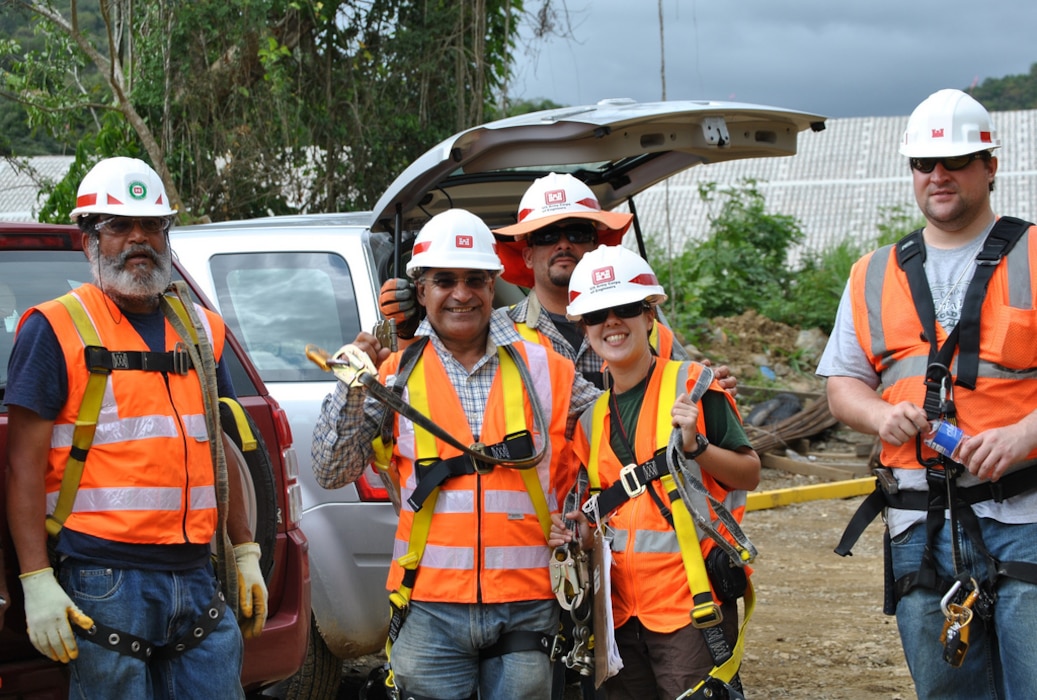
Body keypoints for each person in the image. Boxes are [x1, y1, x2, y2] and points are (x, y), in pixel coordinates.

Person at [312, 208, 600, 700]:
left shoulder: (546, 367)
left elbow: (621, 436)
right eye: (444, 280)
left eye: (474, 280)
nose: (461, 294)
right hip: (428, 606)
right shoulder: (392, 376)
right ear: (421, 291)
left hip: (527, 602)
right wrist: (352, 383)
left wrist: (689, 393)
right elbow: (332, 469)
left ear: (493, 285)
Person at [5, 157, 267, 699]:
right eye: (119, 226)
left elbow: (218, 446)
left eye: (151, 226)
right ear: (89, 240)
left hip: (198, 573)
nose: (138, 239)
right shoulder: (54, 328)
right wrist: (35, 580)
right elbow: (21, 464)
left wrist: (245, 550)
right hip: (102, 577)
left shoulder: (201, 329)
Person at [819, 89, 1037, 699]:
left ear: (990, 165)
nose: (938, 176)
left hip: (1026, 514)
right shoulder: (872, 272)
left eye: (957, 161)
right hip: (920, 522)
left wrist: (1026, 434)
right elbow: (843, 385)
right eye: (923, 164)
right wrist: (880, 414)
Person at [549, 245, 760, 699]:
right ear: (584, 331)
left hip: (692, 608)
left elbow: (748, 474)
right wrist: (577, 537)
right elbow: (604, 518)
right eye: (597, 314)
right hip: (621, 617)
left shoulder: (695, 386)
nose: (612, 322)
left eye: (625, 308)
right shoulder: (590, 421)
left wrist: (697, 446)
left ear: (649, 317)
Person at [380, 172, 737, 393]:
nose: (563, 244)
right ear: (528, 254)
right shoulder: (497, 332)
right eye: (548, 235)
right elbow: (430, 382)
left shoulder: (650, 328)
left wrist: (706, 387)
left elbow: (686, 398)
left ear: (598, 243)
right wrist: (408, 329)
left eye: (578, 231)